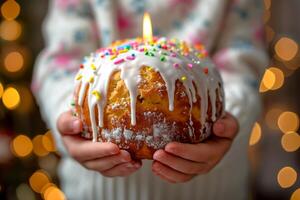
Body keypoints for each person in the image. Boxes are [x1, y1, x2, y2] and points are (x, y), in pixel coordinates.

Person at [32, 0, 268, 199]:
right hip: (95, 188)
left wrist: (227, 119)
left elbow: (242, 62)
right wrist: (71, 118)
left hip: (214, 186)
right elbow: (60, 64)